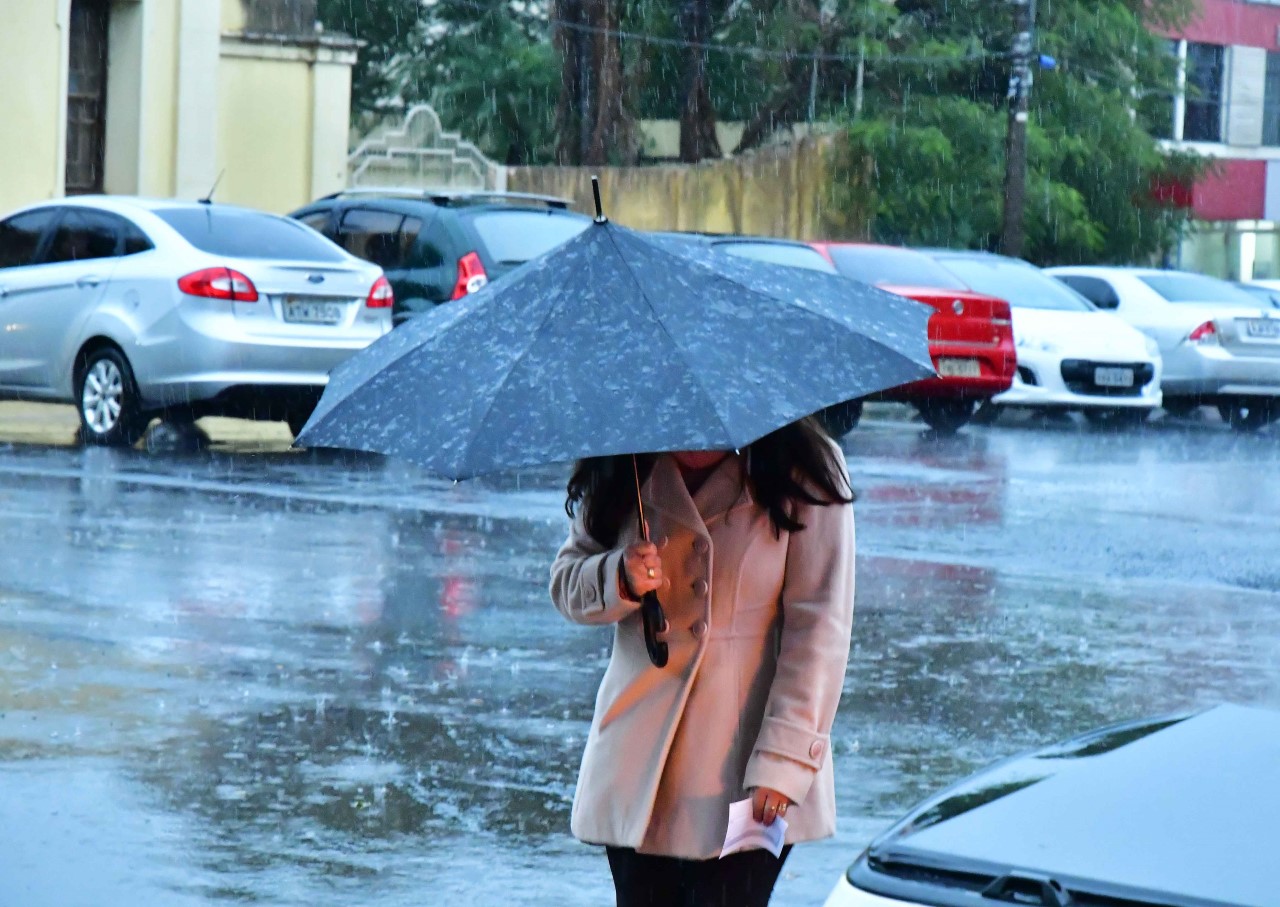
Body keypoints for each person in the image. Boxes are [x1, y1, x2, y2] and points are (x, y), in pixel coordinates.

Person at [549, 416, 856, 907]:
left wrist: (785, 760)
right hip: (639, 770)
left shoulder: (805, 467)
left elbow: (820, 627)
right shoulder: (621, 455)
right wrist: (618, 576)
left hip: (745, 768)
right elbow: (566, 582)